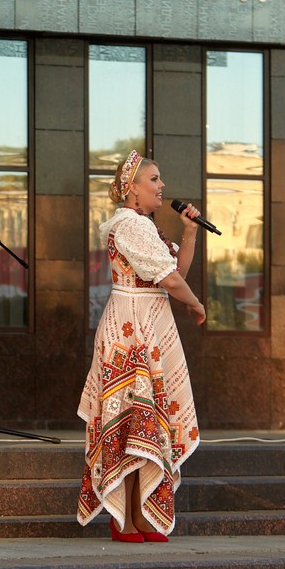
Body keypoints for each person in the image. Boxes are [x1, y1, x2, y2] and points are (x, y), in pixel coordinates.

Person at [77, 151, 206, 544]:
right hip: (131, 328)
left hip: (148, 324)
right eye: (154, 179)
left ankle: (138, 513)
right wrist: (195, 303)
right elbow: (171, 281)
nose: (161, 185)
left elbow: (175, 272)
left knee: (142, 422)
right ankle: (125, 517)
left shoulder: (146, 227)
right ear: (132, 188)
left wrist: (190, 231)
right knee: (131, 419)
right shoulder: (130, 225)